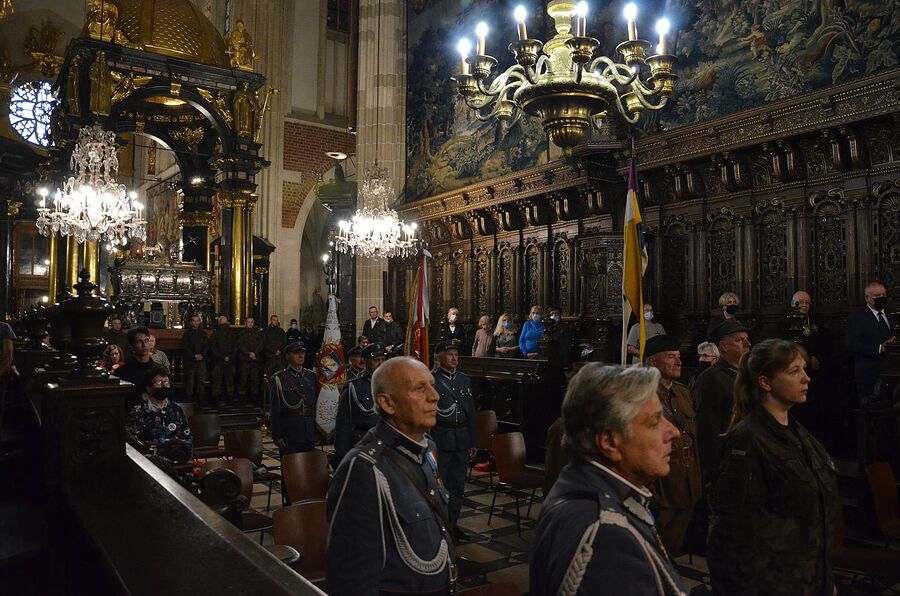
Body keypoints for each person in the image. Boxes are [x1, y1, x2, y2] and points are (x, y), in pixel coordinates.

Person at [530, 364, 685, 596]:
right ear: (610, 442)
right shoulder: (606, 538)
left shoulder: (584, 484)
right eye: (654, 422)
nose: (673, 431)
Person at [707, 339, 838, 596]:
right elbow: (730, 534)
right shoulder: (748, 440)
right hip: (771, 584)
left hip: (809, 579)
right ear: (765, 382)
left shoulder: (799, 434)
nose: (806, 378)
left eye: (804, 369)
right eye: (794, 371)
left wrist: (826, 578)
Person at [326, 357, 455, 596]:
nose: (435, 396)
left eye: (432, 385)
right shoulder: (363, 469)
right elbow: (351, 581)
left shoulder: (428, 449)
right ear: (387, 403)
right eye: (419, 388)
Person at [643, 335, 702, 557]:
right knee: (655, 535)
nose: (678, 362)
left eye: (678, 357)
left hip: (686, 475)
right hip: (661, 480)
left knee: (678, 532)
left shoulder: (682, 391)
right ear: (652, 362)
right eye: (670, 357)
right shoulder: (643, 394)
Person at [694, 320, 751, 481]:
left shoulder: (747, 374)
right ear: (724, 346)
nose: (748, 344)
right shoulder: (711, 378)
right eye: (740, 340)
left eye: (747, 339)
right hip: (727, 462)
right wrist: (716, 469)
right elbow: (708, 427)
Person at [432, 340, 477, 540]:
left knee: (458, 485)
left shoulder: (464, 380)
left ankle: (453, 523)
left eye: (456, 355)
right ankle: (439, 525)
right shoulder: (432, 380)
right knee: (440, 485)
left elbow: (471, 413)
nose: (454, 358)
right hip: (442, 439)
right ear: (439, 357)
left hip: (461, 439)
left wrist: (473, 440)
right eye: (450, 354)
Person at [334, 343, 387, 465]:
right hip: (363, 443)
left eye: (383, 360)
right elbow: (343, 422)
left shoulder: (392, 384)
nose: (380, 364)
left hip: (388, 445)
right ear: (365, 362)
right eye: (376, 360)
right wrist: (342, 453)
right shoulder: (354, 386)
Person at [847, 281, 895, 406]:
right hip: (868, 375)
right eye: (877, 296)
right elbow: (852, 345)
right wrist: (880, 348)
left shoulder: (892, 314)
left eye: (883, 295)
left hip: (891, 373)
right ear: (867, 298)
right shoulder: (857, 318)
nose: (881, 298)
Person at [269, 341, 318, 454]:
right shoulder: (279, 378)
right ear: (287, 356)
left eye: (303, 353)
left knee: (309, 468)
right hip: (290, 433)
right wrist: (277, 435)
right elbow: (275, 410)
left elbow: (315, 405)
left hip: (309, 432)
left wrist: (317, 430)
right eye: (296, 353)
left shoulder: (311, 376)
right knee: (290, 469)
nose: (301, 356)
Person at [126, 367, 192, 450]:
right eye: (158, 382)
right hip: (149, 458)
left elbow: (187, 436)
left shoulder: (176, 409)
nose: (163, 385)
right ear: (148, 388)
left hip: (175, 456)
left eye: (166, 381)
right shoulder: (138, 411)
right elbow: (132, 440)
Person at [116, 327, 160, 407]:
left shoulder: (159, 370)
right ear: (132, 345)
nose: (144, 345)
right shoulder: (122, 372)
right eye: (139, 342)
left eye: (146, 340)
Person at [209, 315, 237, 404]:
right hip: (218, 361)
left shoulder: (232, 334)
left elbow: (235, 347)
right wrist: (224, 357)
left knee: (230, 380)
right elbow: (213, 348)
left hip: (229, 360)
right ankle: (217, 398)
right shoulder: (216, 334)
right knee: (218, 380)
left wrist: (229, 356)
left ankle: (229, 397)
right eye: (223, 322)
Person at [182, 314, 209, 404]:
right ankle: (189, 398)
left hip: (202, 360)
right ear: (191, 322)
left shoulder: (203, 334)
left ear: (199, 322)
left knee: (201, 380)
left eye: (197, 321)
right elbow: (185, 347)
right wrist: (194, 356)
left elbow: (206, 346)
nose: (195, 323)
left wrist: (202, 355)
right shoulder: (186, 334)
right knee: (190, 380)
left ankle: (201, 397)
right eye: (194, 321)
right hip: (191, 361)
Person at [237, 317, 265, 403]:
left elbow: (261, 344)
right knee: (243, 379)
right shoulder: (241, 333)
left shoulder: (258, 333)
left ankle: (254, 396)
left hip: (255, 360)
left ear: (253, 323)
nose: (250, 324)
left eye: (252, 322)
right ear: (246, 323)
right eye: (248, 322)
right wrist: (248, 353)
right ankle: (242, 396)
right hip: (244, 359)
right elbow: (240, 345)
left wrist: (255, 353)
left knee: (255, 379)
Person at [263, 314, 287, 380]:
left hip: (279, 359)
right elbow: (264, 343)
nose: (276, 322)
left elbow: (284, 342)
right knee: (269, 377)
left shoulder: (281, 331)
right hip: (269, 358)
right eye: (274, 320)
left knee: (280, 377)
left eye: (277, 320)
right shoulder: (266, 331)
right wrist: (273, 351)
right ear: (271, 321)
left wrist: (280, 350)